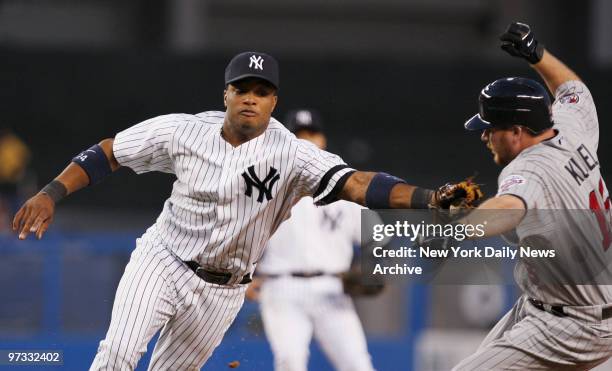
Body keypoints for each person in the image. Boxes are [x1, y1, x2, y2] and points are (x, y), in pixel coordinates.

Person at [11, 51, 473, 370]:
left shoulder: (292, 153)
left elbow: (356, 183)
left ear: (274, 102)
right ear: (226, 94)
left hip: (225, 289)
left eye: (262, 90)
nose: (251, 97)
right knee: (118, 354)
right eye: (243, 88)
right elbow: (111, 151)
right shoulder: (183, 131)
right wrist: (51, 191)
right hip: (164, 260)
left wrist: (428, 198)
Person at [452, 22, 612, 370]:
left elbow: (509, 207)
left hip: (573, 323)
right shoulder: (569, 126)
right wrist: (536, 54)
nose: (485, 137)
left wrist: (457, 229)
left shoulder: (531, 169)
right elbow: (573, 89)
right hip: (554, 303)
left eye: (490, 129)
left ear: (516, 131)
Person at [246, 109, 376, 371]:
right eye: (299, 135)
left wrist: (370, 269)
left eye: (312, 134)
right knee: (290, 362)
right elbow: (243, 237)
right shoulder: (266, 185)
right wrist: (244, 279)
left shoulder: (345, 185)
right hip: (281, 288)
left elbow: (376, 237)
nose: (306, 140)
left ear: (323, 140)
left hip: (332, 288)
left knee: (358, 365)